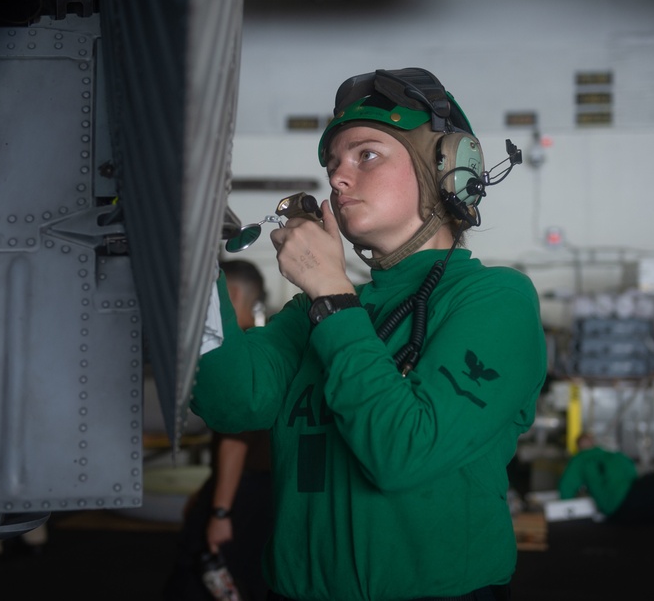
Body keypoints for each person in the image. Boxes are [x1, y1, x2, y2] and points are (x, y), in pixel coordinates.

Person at [191, 67, 547, 601]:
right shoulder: (314, 309)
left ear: (446, 169)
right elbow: (231, 402)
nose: (337, 177)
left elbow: (403, 453)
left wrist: (331, 295)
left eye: (367, 155)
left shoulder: (497, 300)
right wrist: (193, 266)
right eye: (333, 163)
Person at [165, 259, 274, 601]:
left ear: (232, 293)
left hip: (242, 493)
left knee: (199, 580)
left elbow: (234, 443)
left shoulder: (235, 352)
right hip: (263, 491)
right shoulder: (268, 347)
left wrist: (219, 511)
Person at [558, 431, 654, 530]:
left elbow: (566, 488)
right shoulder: (600, 456)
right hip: (625, 499)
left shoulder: (585, 459)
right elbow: (632, 471)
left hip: (619, 507)